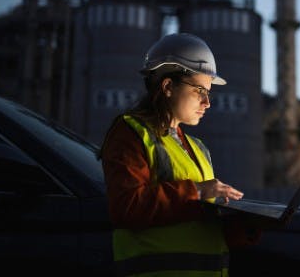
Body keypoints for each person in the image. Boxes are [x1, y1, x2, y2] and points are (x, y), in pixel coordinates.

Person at [100, 33, 245, 276]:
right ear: (168, 86)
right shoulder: (130, 133)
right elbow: (127, 207)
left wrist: (241, 227)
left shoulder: (197, 148)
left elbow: (195, 223)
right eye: (200, 90)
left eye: (209, 93)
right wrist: (198, 191)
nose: (207, 102)